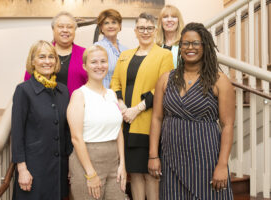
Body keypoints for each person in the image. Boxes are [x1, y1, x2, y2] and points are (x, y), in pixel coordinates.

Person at [148, 22, 235, 199]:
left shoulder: (219, 81)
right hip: (171, 159)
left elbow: (227, 125)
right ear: (180, 48)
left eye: (196, 43)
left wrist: (222, 165)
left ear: (205, 46)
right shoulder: (166, 79)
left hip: (206, 159)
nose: (190, 47)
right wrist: (153, 156)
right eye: (185, 43)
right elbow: (157, 118)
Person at [111, 13, 174, 200]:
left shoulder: (165, 55)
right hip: (126, 122)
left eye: (149, 28)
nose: (145, 32)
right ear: (135, 31)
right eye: (141, 28)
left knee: (150, 174)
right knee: (135, 174)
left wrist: (136, 109)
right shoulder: (125, 55)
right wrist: (122, 106)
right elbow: (115, 82)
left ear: (155, 31)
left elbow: (163, 86)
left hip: (148, 123)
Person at [11, 40, 71, 200]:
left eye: (51, 57)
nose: (47, 61)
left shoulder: (63, 91)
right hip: (33, 168)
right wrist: (22, 169)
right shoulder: (23, 90)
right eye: (42, 57)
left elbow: (67, 131)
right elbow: (17, 133)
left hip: (58, 169)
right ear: (33, 61)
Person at [67, 45, 127, 200]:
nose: (99, 66)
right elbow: (76, 138)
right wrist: (91, 173)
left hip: (113, 162)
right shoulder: (79, 95)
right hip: (87, 161)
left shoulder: (112, 94)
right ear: (85, 66)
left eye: (103, 61)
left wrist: (122, 165)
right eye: (94, 62)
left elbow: (118, 131)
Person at [24, 11, 87, 96]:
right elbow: (28, 81)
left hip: (77, 106)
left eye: (69, 27)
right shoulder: (41, 52)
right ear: (53, 29)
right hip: (43, 106)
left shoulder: (85, 54)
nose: (65, 30)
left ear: (74, 30)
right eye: (60, 27)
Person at [94, 9, 127, 88]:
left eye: (114, 22)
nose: (110, 26)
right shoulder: (97, 48)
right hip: (104, 94)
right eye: (106, 23)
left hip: (123, 95)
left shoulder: (126, 50)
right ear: (101, 27)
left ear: (120, 26)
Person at [156, 5, 184, 69]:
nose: (169, 20)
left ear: (178, 21)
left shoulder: (185, 44)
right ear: (161, 22)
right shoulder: (156, 45)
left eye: (173, 17)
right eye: (165, 17)